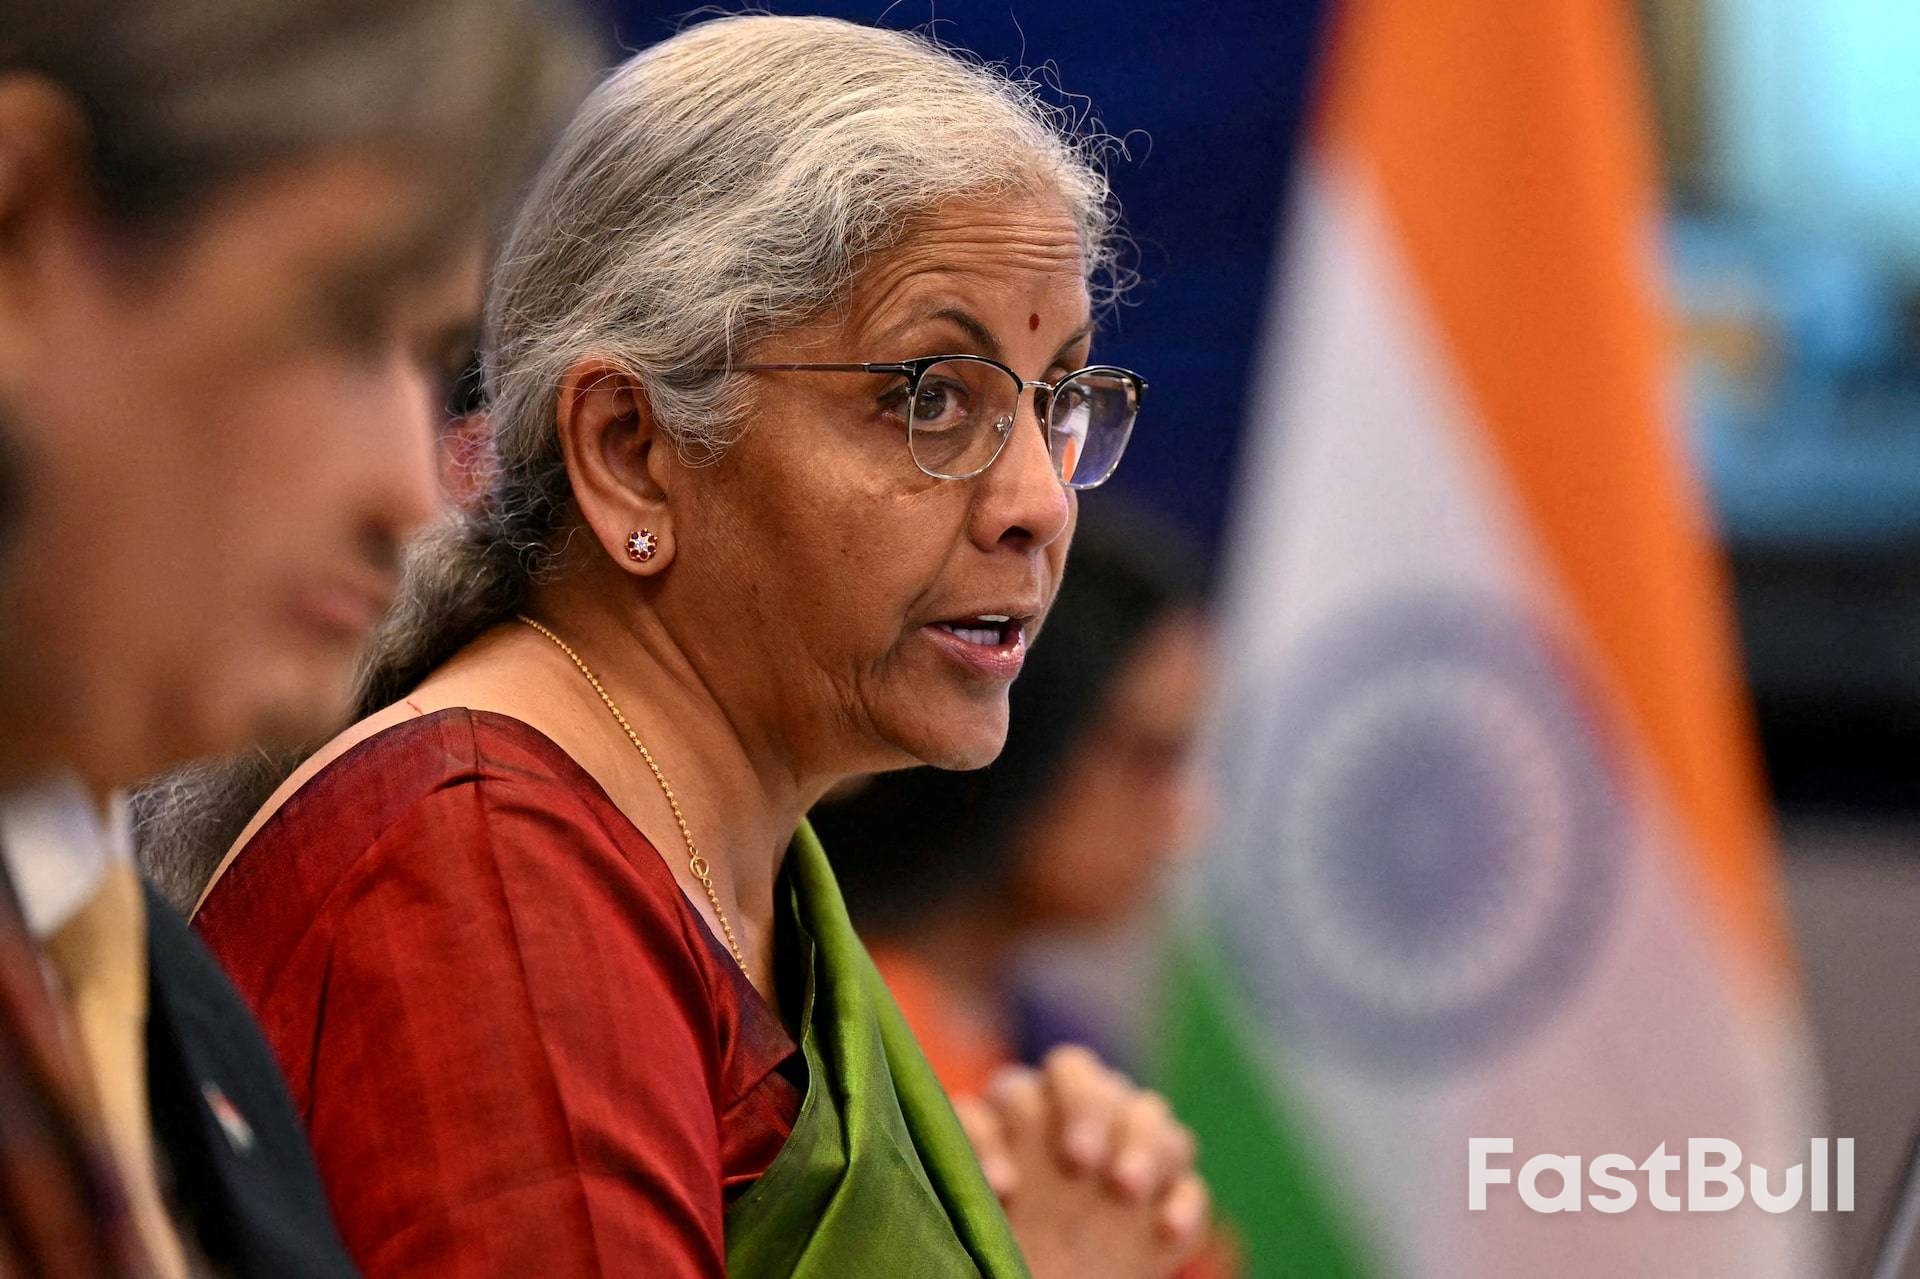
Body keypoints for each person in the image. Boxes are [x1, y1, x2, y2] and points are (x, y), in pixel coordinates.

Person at [149, 15, 1211, 1277]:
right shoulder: (491, 878)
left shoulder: (726, 867)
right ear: (632, 452)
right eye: (931, 396)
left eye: (1058, 399)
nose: (1038, 501)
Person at [0, 1, 589, 1273]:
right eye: (341, 325)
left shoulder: (165, 1002)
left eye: (433, 363)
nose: (410, 492)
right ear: (18, 236)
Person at [811, 501, 1214, 1098]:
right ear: (1027, 720)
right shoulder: (801, 1027)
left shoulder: (1072, 1068)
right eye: (1147, 759)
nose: (1187, 819)